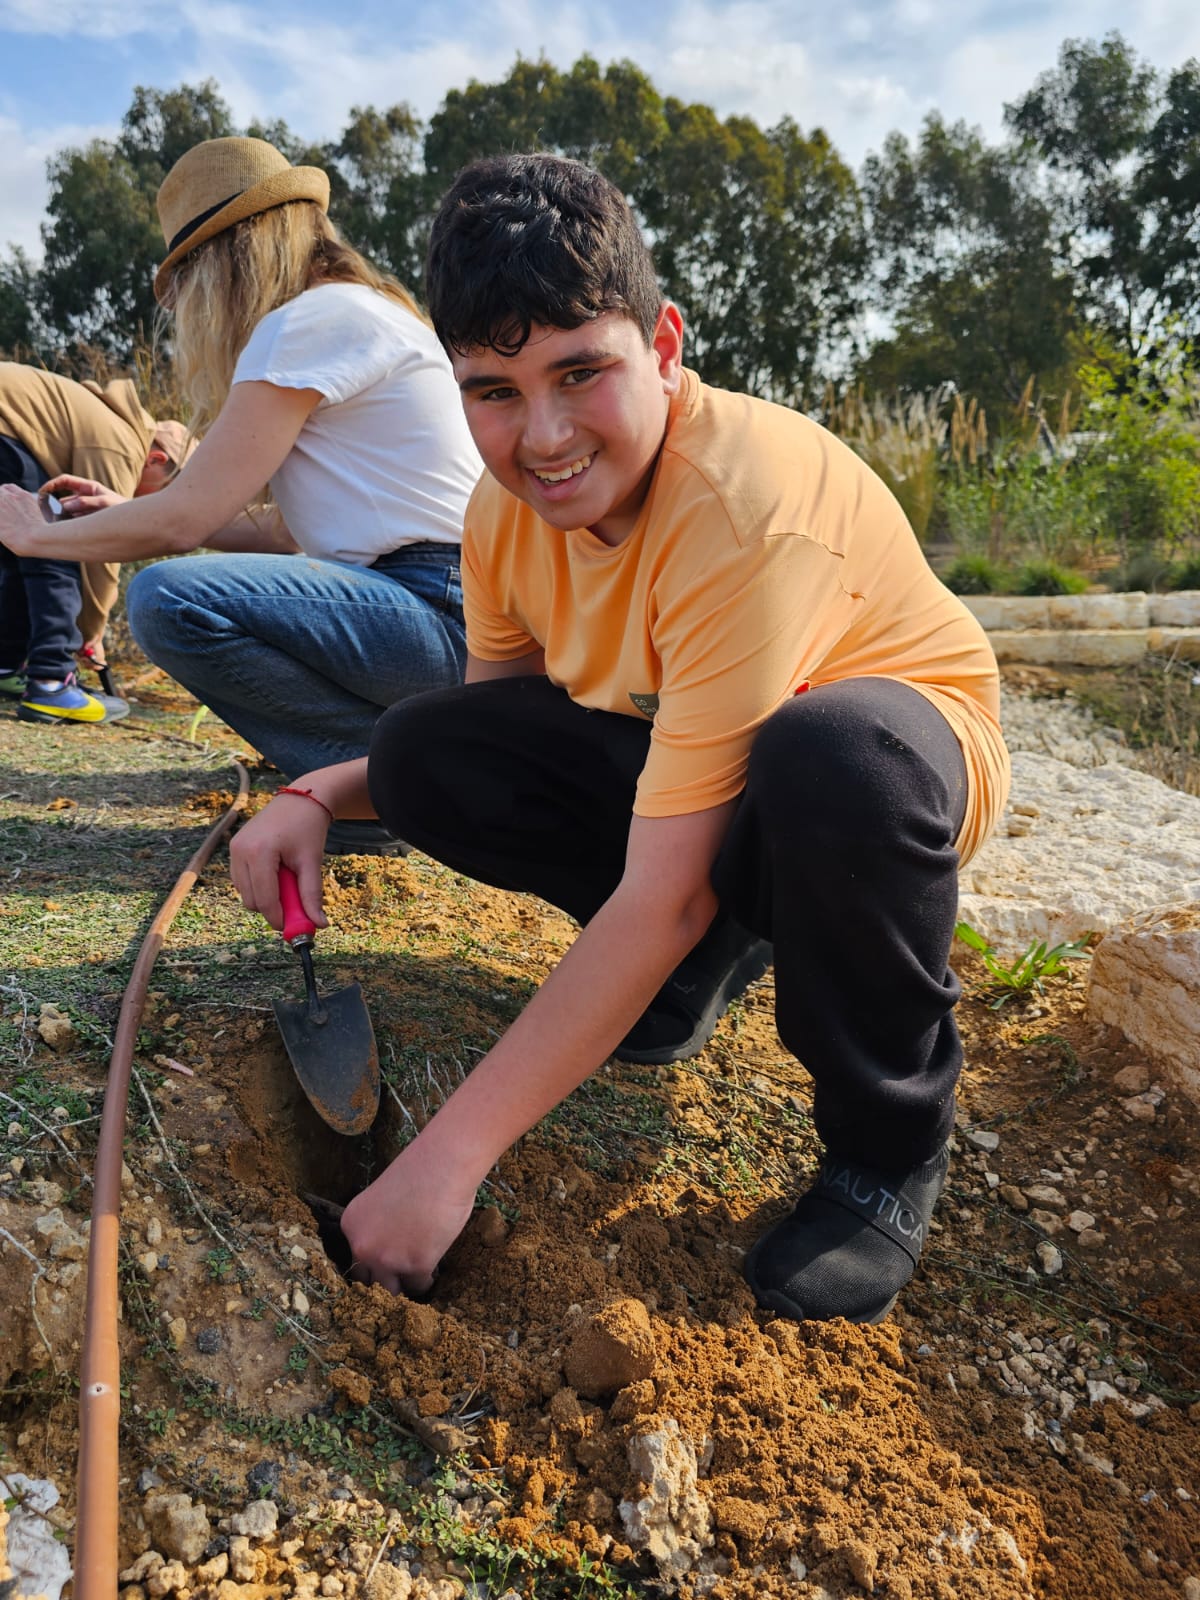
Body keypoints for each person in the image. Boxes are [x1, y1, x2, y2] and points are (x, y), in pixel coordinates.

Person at [228, 153, 1011, 1324]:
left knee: (830, 759)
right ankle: (695, 970)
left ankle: (887, 1146)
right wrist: (318, 794)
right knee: (433, 745)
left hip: (879, 780)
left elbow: (673, 886)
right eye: (492, 390)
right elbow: (507, 736)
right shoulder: (503, 518)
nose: (541, 437)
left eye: (579, 373)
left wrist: (444, 1162)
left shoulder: (746, 509)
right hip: (711, 787)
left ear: (664, 344)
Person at [0, 137, 481, 850]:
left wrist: (31, 535)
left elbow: (185, 518)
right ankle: (384, 777)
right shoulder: (360, 313)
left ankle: (392, 783)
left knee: (166, 598)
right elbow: (279, 535)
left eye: (189, 275)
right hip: (450, 609)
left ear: (228, 257)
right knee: (182, 589)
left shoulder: (307, 321)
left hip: (438, 609)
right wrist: (126, 512)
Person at [0, 362, 190, 723]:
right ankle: (52, 682)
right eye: (162, 491)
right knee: (53, 546)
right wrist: (92, 634)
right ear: (156, 460)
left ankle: (6, 666)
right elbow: (103, 547)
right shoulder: (121, 445)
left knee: (16, 549)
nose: (147, 498)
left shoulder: (99, 419)